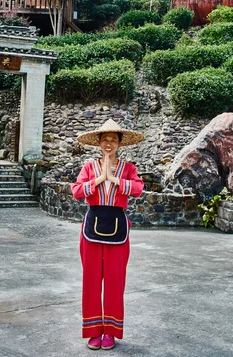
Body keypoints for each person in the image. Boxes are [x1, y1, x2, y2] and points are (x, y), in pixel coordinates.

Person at [69, 118, 144, 351]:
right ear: (98, 143)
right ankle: (93, 331)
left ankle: (110, 332)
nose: (109, 143)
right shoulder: (89, 168)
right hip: (91, 228)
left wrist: (114, 179)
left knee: (114, 282)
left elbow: (139, 189)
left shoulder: (129, 168)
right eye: (105, 139)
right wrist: (100, 179)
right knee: (91, 281)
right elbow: (76, 192)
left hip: (118, 229)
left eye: (113, 139)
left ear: (120, 143)